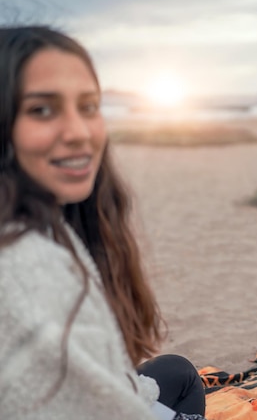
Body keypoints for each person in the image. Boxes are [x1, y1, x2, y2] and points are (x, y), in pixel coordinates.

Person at [0, 26, 206, 419]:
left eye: (89, 106)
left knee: (176, 370)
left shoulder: (47, 225)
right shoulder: (25, 261)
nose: (79, 132)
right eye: (42, 109)